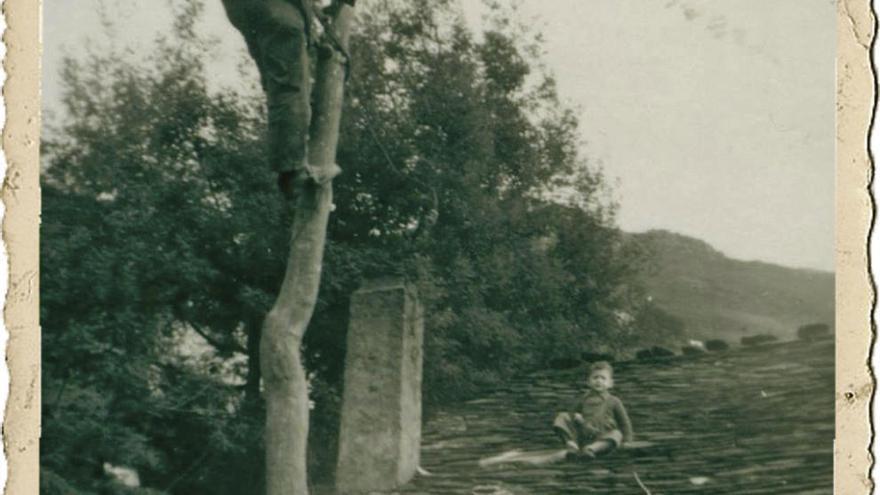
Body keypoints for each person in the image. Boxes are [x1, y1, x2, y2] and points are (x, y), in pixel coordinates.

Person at [221, 0, 316, 199]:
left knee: (277, 83)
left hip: (244, 9)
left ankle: (289, 167)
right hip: (276, 9)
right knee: (289, 86)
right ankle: (293, 172)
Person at [553, 361, 634, 458]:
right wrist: (577, 418)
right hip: (583, 435)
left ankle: (591, 449)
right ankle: (572, 446)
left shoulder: (614, 401)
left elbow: (624, 423)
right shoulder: (583, 400)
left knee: (617, 434)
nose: (598, 381)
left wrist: (627, 441)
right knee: (562, 417)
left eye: (603, 378)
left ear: (610, 383)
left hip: (603, 436)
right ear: (588, 382)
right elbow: (571, 416)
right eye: (595, 377)